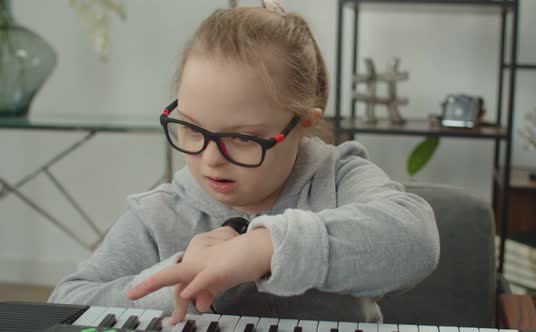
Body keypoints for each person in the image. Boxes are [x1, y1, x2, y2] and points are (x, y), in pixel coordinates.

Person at [48, 1, 440, 325]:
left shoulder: (339, 177)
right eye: (192, 129)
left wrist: (266, 248)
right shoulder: (158, 213)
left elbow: (417, 241)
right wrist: (182, 275)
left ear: (303, 125)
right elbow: (66, 305)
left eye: (242, 138)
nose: (210, 159)